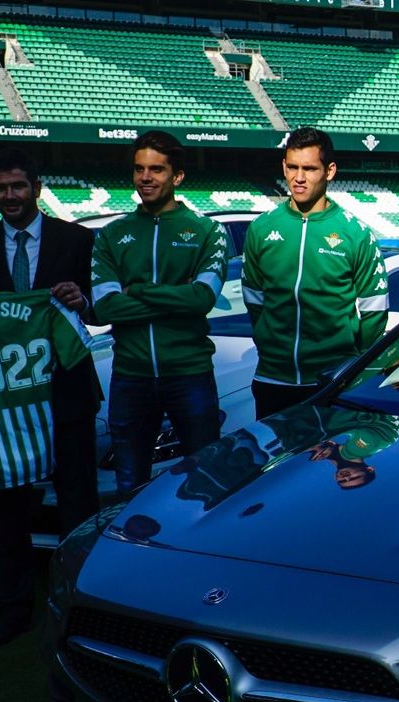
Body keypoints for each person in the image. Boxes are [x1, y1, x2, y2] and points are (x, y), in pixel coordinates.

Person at [0, 148, 100, 650]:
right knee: (7, 510)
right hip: (5, 405)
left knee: (77, 508)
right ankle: (11, 610)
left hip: (67, 395)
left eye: (17, 186)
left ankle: (80, 608)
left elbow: (100, 310)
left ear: (36, 187)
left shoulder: (77, 239)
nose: (9, 196)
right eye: (0, 188)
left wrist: (85, 301)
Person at [78, 130, 228, 495]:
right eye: (139, 169)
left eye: (157, 170)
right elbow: (107, 305)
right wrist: (177, 294)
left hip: (190, 373)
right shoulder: (113, 234)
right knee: (129, 485)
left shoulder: (208, 231)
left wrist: (140, 290)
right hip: (131, 376)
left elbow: (202, 298)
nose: (146, 178)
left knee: (203, 482)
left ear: (177, 176)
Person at [241, 126, 389, 419]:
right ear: (283, 166)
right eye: (292, 167)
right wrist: (272, 345)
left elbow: (374, 312)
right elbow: (254, 301)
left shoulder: (355, 234)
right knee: (276, 465)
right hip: (272, 379)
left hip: (332, 382)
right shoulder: (261, 227)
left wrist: (348, 361)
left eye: (309, 168)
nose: (298, 177)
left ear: (329, 171)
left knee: (327, 464)